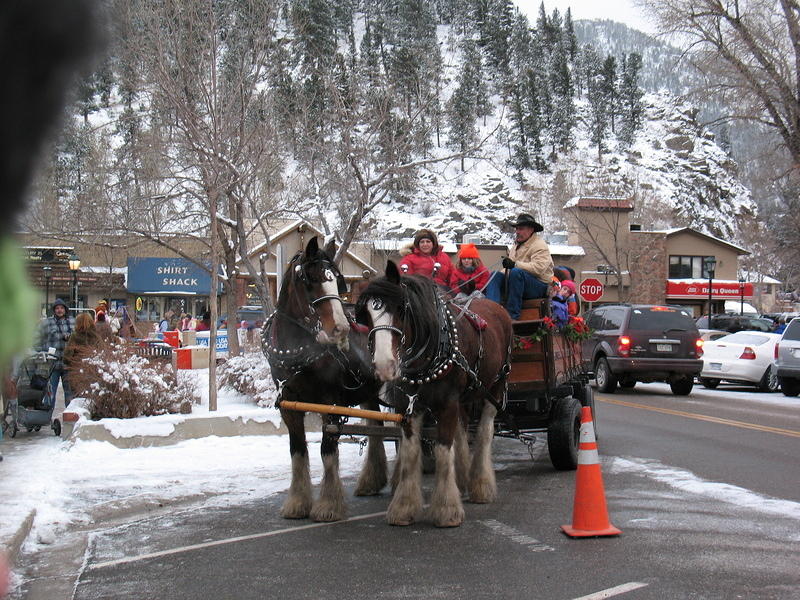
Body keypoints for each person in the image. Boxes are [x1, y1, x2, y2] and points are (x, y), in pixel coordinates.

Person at [485, 213, 554, 320]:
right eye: (517, 229)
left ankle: (512, 316)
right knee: (494, 275)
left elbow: (538, 269)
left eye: (521, 229)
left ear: (531, 230)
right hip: (518, 281)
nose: (517, 232)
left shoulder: (540, 245)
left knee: (516, 273)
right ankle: (491, 314)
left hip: (539, 286)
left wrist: (515, 264)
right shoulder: (515, 246)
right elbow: (510, 269)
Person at [36, 298, 76, 406]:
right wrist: (42, 352)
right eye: (57, 308)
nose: (59, 310)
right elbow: (36, 338)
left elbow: (79, 339)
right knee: (50, 391)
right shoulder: (46, 323)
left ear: (65, 309)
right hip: (52, 364)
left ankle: (70, 415)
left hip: (68, 364)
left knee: (70, 393)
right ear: (54, 310)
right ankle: (47, 416)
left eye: (62, 308)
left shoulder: (73, 321)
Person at [63, 313, 102, 403]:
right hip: (93, 371)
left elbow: (67, 356)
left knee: (76, 398)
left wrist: (70, 363)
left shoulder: (75, 336)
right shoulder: (97, 337)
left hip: (76, 371)